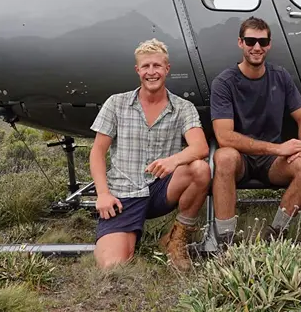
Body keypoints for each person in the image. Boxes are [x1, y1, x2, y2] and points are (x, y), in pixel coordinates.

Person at [89, 39, 211, 270]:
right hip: (124, 194)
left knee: (200, 169)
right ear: (138, 70)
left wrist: (173, 161)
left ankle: (176, 239)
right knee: (113, 266)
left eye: (157, 66)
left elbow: (200, 148)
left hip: (160, 189)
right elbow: (97, 152)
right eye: (146, 67)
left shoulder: (183, 107)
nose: (151, 72)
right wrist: (103, 194)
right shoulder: (116, 103)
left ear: (167, 68)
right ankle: (126, 235)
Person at [210, 16, 301, 244]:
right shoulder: (224, 83)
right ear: (241, 43)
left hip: (272, 163)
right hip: (242, 160)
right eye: (250, 41)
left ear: (269, 44)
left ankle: (275, 235)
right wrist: (277, 148)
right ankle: (225, 240)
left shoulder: (281, 76)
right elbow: (224, 136)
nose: (256, 47)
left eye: (262, 42)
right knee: (224, 156)